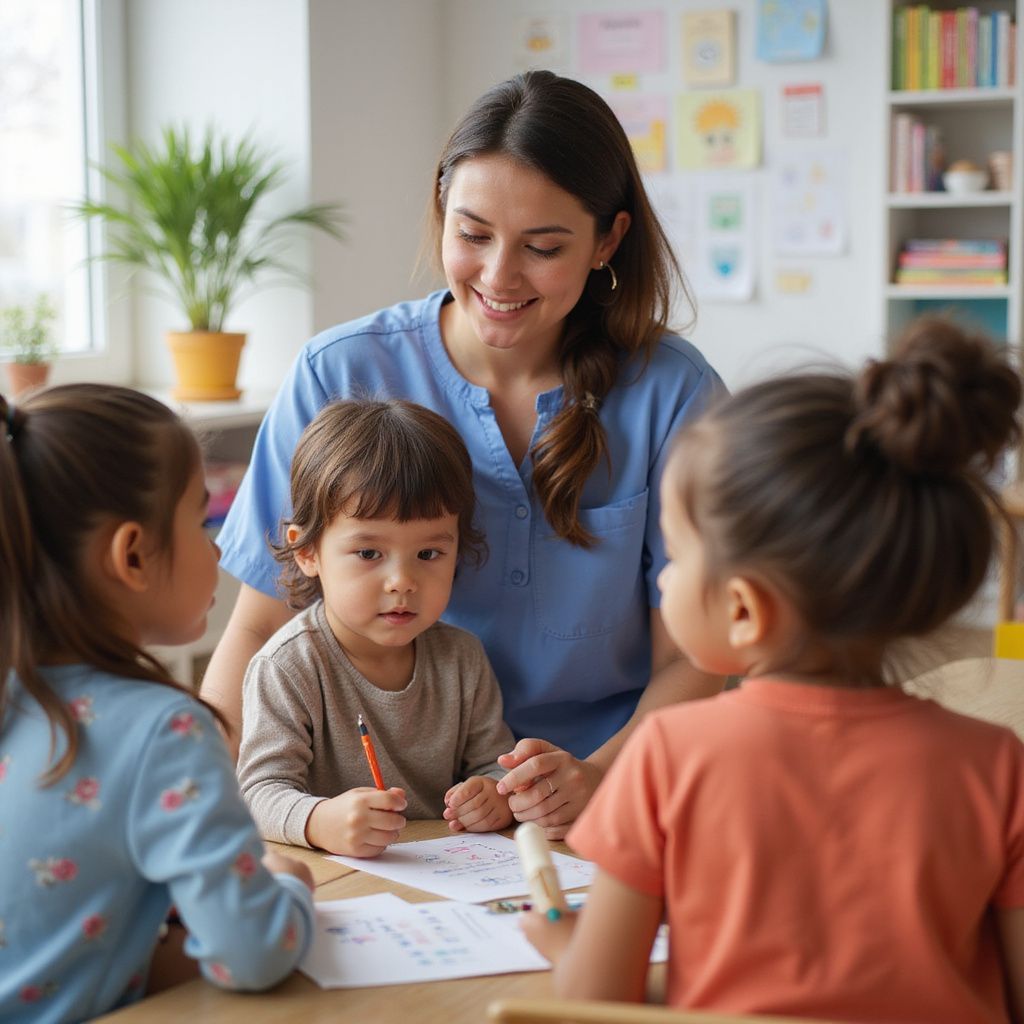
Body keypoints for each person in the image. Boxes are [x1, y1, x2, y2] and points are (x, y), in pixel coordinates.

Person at [205, 69, 726, 837]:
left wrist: (596, 777)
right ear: (442, 209)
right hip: (376, 808)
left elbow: (697, 659)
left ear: (607, 241)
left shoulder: (673, 397)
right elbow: (256, 633)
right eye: (473, 235)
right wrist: (200, 808)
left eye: (543, 247)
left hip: (610, 782)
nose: (499, 277)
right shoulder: (340, 372)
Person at [522, 317, 1024, 1022]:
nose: (662, 582)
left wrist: (562, 942)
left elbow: (600, 998)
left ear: (745, 609)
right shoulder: (998, 767)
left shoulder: (667, 758)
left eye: (675, 555)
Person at [0, 385, 316, 1022]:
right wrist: (289, 886)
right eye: (201, 521)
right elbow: (252, 953)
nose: (219, 547)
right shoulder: (166, 730)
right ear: (134, 554)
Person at [236, 398, 515, 856]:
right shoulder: (287, 666)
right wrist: (319, 820)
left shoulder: (463, 658)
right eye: (368, 554)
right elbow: (259, 793)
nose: (402, 582)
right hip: (336, 878)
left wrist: (492, 795)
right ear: (307, 552)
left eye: (429, 554)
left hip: (445, 875)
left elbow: (493, 763)